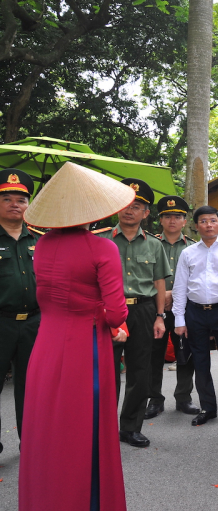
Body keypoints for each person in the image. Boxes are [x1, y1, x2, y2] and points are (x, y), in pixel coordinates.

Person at [19, 162, 133, 510]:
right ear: (93, 209)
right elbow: (116, 313)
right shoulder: (102, 248)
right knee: (83, 429)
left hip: (46, 343)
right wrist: (105, 317)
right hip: (86, 346)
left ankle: (46, 497)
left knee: (47, 427)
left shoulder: (42, 247)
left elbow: (50, 296)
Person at [97, 178, 169, 448]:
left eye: (137, 206)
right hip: (108, 311)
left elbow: (160, 282)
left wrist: (160, 316)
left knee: (140, 372)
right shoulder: (100, 239)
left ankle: (130, 427)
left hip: (143, 310)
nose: (130, 210)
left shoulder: (154, 244)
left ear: (146, 213)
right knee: (107, 372)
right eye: (126, 204)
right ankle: (103, 429)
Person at [171, 205, 218, 428]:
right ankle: (207, 408)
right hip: (195, 312)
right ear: (196, 225)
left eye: (213, 220)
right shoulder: (188, 253)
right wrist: (179, 320)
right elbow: (180, 287)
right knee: (200, 361)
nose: (208, 225)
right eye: (203, 221)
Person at [145, 195, 200, 419]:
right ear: (160, 220)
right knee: (154, 355)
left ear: (184, 221)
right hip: (154, 309)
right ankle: (154, 399)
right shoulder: (149, 244)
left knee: (185, 354)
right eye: (167, 216)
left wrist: (173, 294)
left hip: (184, 309)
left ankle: (183, 398)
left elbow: (198, 280)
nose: (172, 221)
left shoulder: (194, 248)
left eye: (177, 217)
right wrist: (162, 294)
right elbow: (141, 275)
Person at [0, 169, 41, 456]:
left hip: (36, 324)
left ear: (29, 204)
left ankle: (32, 446)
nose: (15, 204)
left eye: (21, 199)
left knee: (32, 389)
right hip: (1, 323)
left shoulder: (43, 239)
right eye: (7, 198)